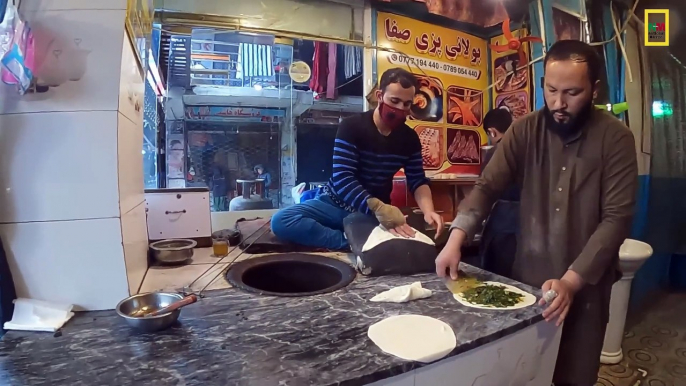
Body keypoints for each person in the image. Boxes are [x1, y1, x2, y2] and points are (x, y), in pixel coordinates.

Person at [435, 40, 638, 385]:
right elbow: (487, 187)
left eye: (572, 93)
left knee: (574, 373)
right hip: (527, 282)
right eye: (551, 90)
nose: (559, 103)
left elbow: (616, 219)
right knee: (525, 373)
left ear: (594, 89)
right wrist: (457, 237)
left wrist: (571, 283)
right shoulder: (525, 129)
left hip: (585, 287)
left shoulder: (615, 138)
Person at [272, 68, 444, 250]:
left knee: (395, 242)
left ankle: (361, 239)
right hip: (335, 204)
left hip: (371, 215)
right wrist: (378, 208)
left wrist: (429, 211)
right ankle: (349, 242)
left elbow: (417, 180)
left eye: (407, 104)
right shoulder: (352, 127)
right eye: (395, 101)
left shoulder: (409, 139)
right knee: (282, 220)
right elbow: (343, 177)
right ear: (380, 96)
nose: (401, 109)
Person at [478, 108, 518, 277]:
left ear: (491, 132)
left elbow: (483, 192)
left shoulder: (495, 153)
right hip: (531, 225)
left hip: (504, 223)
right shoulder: (528, 149)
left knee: (498, 278)